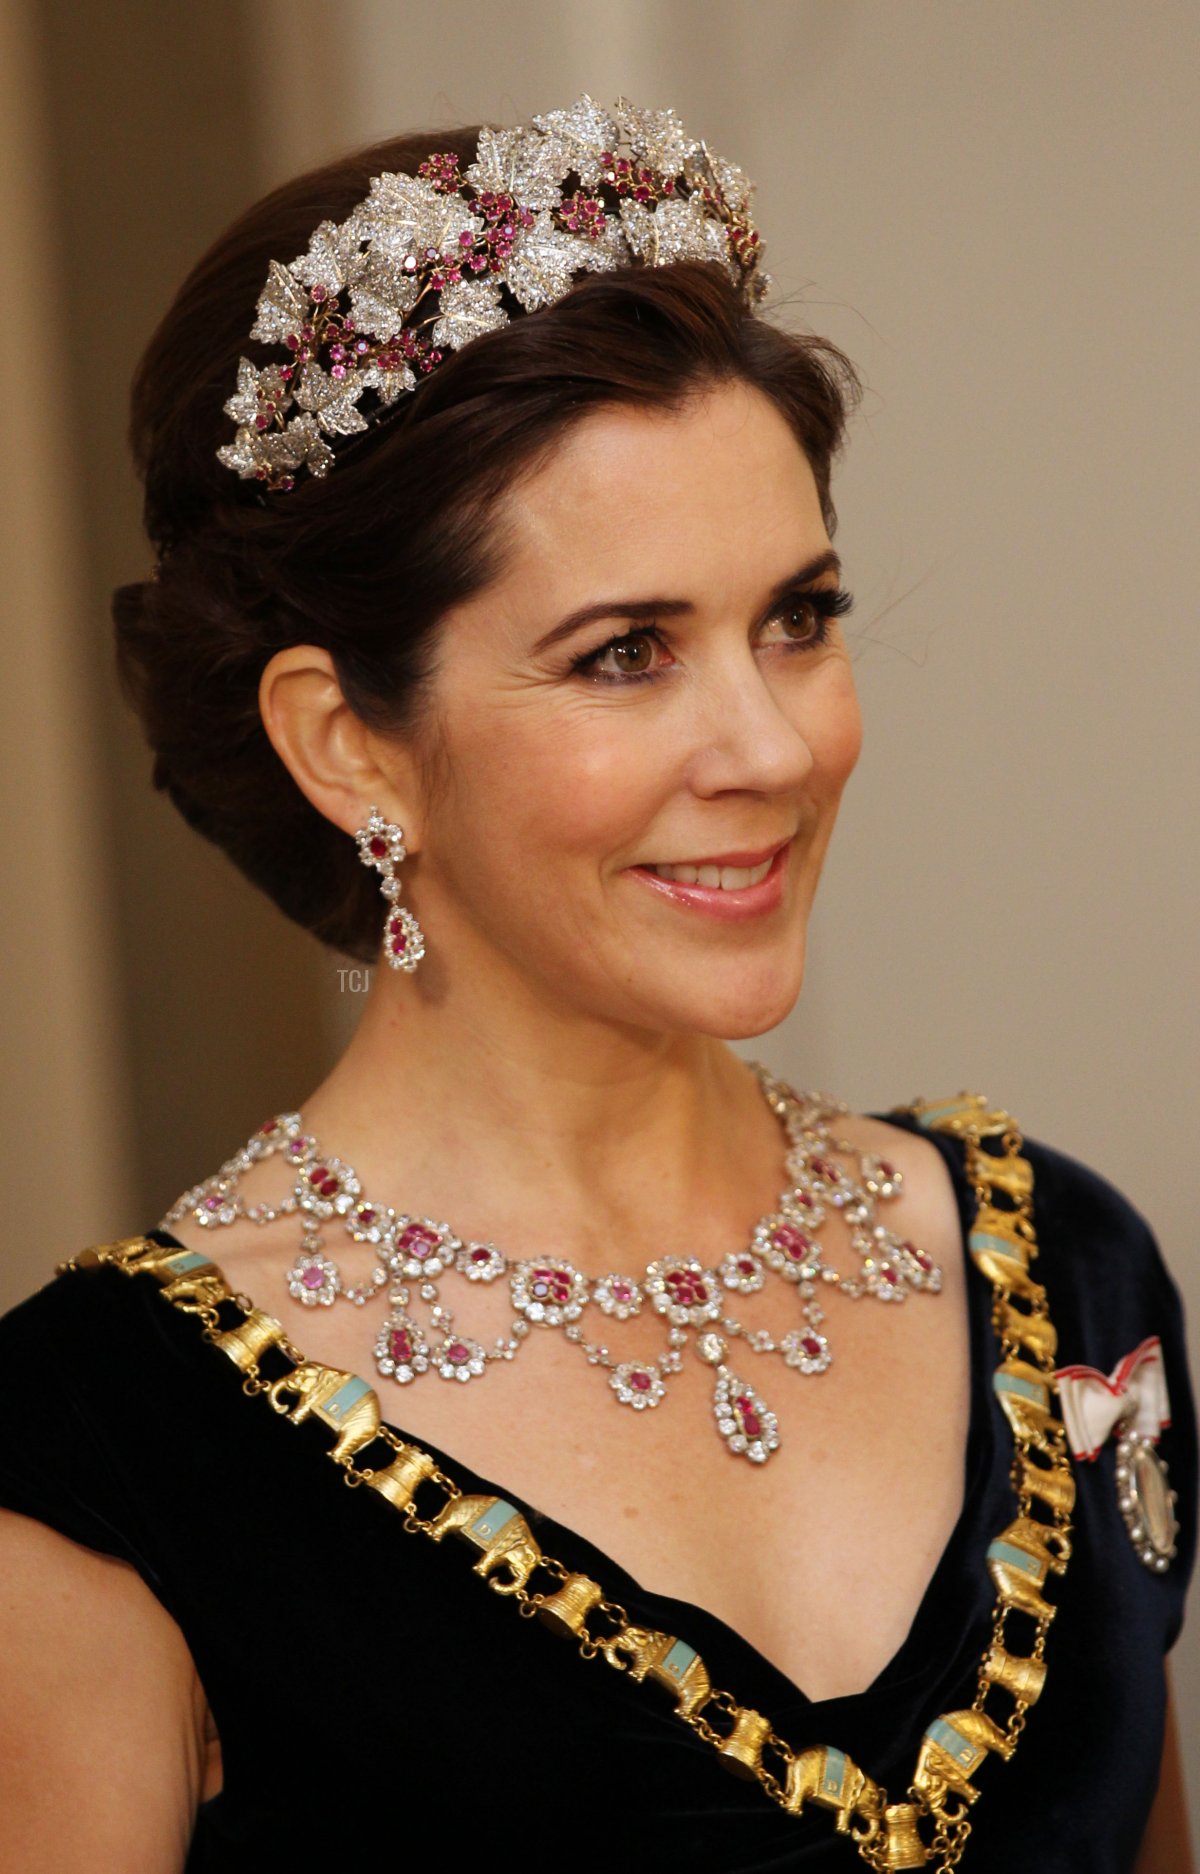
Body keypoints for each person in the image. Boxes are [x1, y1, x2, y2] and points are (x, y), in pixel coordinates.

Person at [0, 96, 1193, 1874]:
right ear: (349, 743)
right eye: (625, 655)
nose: (773, 743)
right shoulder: (107, 1460)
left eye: (798, 615)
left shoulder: (1059, 1266)